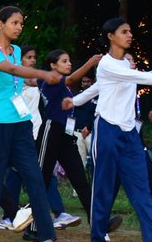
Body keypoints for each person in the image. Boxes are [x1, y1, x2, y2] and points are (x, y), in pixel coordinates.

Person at [0, 7, 77, 242]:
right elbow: (14, 72)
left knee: (36, 178)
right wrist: (42, 74)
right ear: (0, 24)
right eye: (14, 22)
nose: (19, 27)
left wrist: (44, 81)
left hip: (20, 125)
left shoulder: (16, 51)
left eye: (21, 23)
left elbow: (19, 83)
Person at [79, 18, 152, 242]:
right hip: (107, 130)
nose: (130, 35)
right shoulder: (107, 64)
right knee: (103, 189)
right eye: (124, 31)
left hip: (130, 135)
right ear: (110, 36)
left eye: (130, 31)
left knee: (142, 189)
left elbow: (140, 76)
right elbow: (138, 76)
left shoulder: (126, 68)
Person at [36, 50, 102, 226]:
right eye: (64, 61)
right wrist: (89, 63)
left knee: (80, 179)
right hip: (51, 131)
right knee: (41, 179)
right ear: (52, 65)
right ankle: (34, 225)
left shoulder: (66, 87)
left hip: (66, 134)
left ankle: (98, 222)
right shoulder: (50, 79)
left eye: (69, 60)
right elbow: (72, 79)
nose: (69, 63)